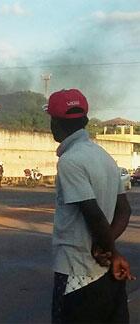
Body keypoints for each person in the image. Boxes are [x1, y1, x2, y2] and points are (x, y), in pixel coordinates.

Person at [46, 89, 134, 323]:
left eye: (51, 121)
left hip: (78, 273)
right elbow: (124, 209)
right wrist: (107, 247)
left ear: (56, 123)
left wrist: (112, 253)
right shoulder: (104, 156)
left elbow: (92, 213)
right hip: (106, 275)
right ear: (84, 120)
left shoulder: (70, 161)